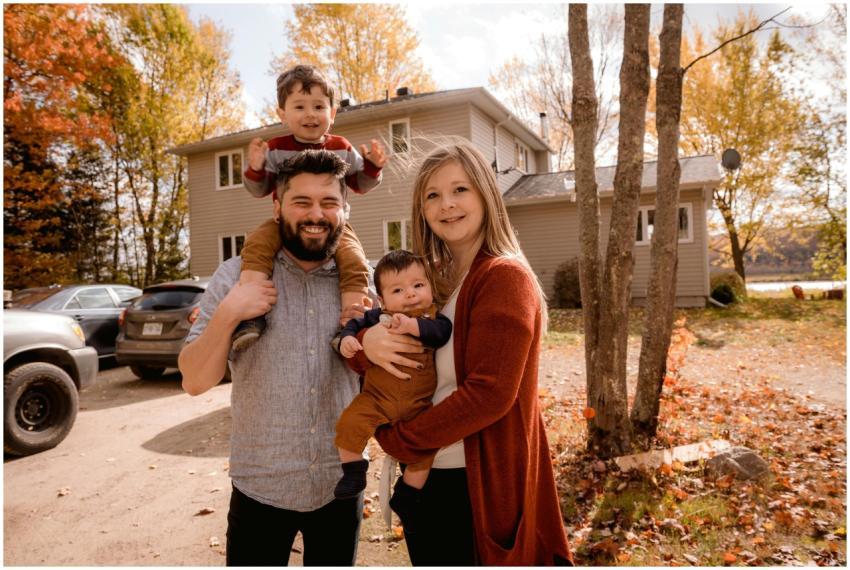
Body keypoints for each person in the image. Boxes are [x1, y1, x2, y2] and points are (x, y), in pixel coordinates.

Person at [351, 141, 574, 565]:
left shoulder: (503, 277)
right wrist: (367, 343)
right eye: (432, 195)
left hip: (471, 486)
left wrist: (398, 441)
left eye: (460, 190)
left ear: (486, 194)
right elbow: (393, 357)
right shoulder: (431, 283)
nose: (446, 205)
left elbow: (488, 394)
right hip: (431, 480)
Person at [178, 150, 372, 566]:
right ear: (277, 206)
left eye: (329, 203)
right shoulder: (235, 276)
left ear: (345, 209)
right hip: (259, 487)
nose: (315, 215)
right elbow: (194, 381)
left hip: (340, 485)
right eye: (301, 202)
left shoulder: (362, 284)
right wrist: (231, 311)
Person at [232, 64, 387, 351]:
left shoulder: (341, 146)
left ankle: (351, 323)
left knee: (354, 260)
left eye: (319, 106)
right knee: (256, 246)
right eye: (300, 106)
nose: (310, 114)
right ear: (282, 114)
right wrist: (256, 168)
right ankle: (250, 315)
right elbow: (260, 189)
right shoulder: (276, 149)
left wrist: (374, 167)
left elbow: (359, 184)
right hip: (284, 224)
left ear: (333, 112)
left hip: (335, 228)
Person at [332, 249, 452, 502]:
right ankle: (353, 471)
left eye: (418, 285)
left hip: (418, 405)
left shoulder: (432, 317)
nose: (410, 294)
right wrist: (348, 339)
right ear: (383, 301)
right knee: (349, 423)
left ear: (430, 287)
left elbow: (442, 333)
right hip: (377, 398)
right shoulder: (379, 316)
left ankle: (408, 494)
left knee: (425, 451)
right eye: (397, 290)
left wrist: (413, 326)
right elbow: (354, 323)